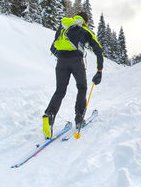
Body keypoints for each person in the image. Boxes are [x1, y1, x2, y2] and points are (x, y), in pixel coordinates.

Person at [43, 11, 104, 139]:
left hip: (61, 61)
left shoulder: (65, 26)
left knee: (60, 90)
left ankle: (49, 115)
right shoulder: (84, 30)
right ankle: (79, 117)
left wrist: (63, 58)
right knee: (82, 87)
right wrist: (99, 70)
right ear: (86, 21)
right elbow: (99, 50)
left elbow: (52, 47)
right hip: (76, 61)